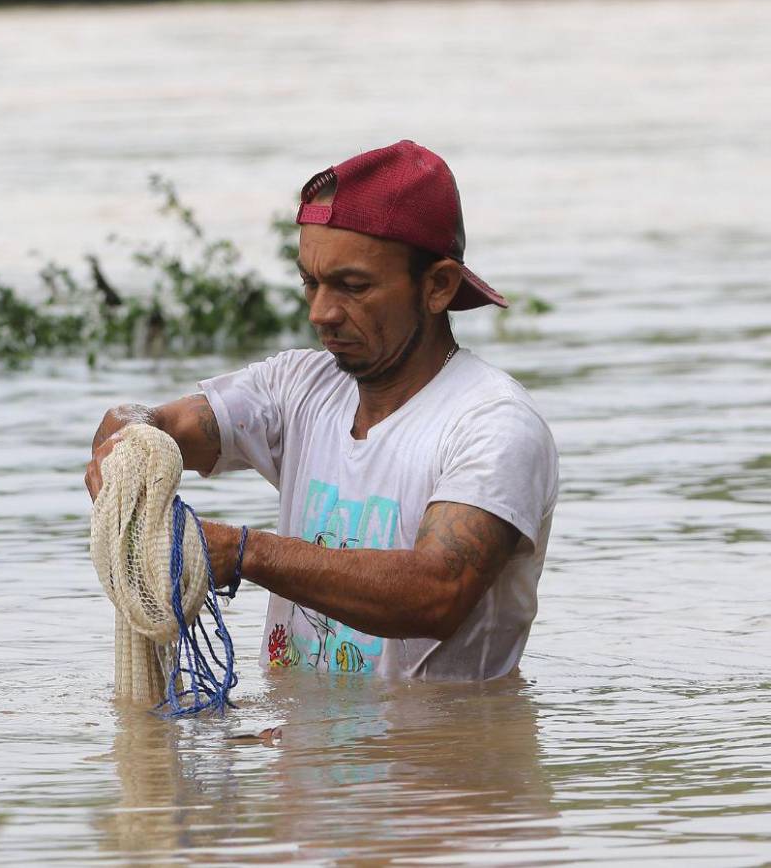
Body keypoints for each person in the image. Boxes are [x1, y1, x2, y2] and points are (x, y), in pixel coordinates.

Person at [86, 140, 558, 681]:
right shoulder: (299, 388)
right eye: (310, 282)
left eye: (352, 287)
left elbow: (436, 593)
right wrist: (127, 449)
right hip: (305, 749)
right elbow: (157, 425)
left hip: (436, 760)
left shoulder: (493, 423)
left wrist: (245, 553)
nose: (321, 313)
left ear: (438, 286)